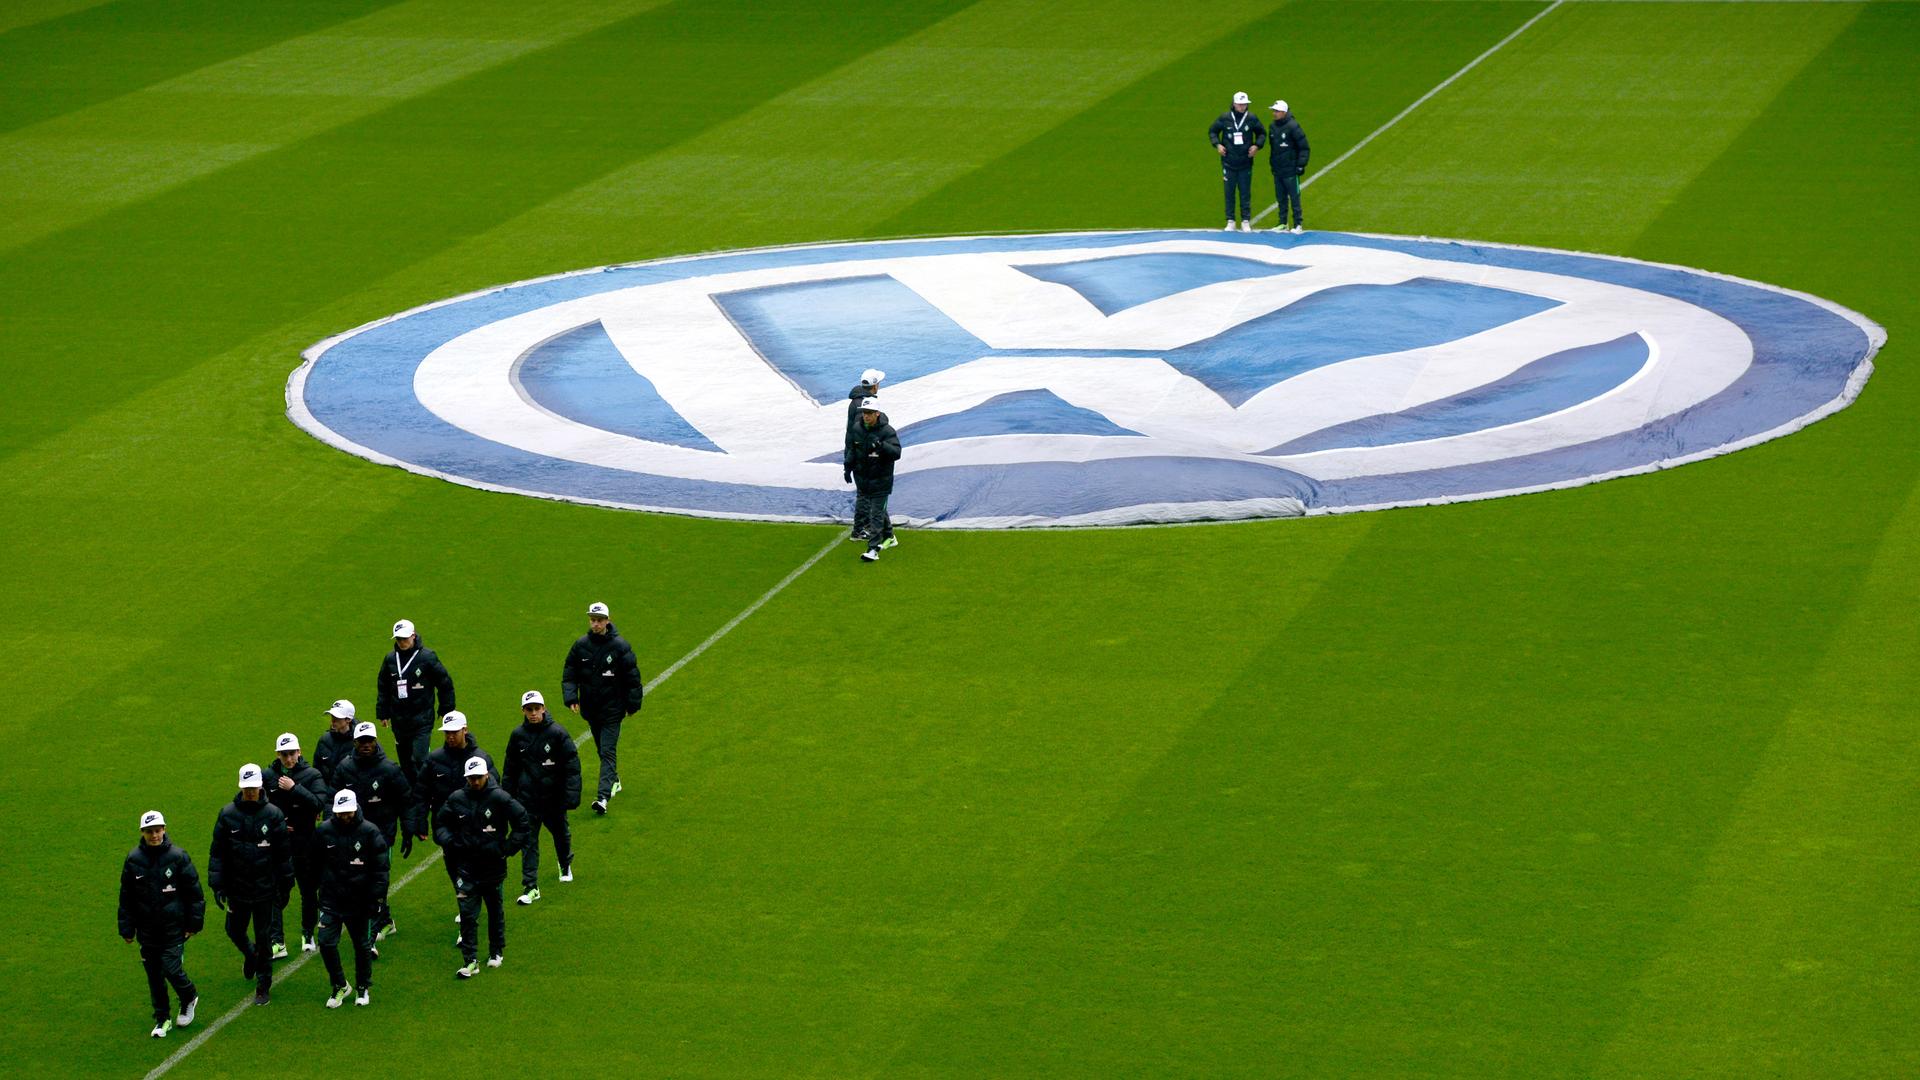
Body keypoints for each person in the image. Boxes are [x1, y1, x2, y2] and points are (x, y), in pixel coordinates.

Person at [436, 756, 530, 978]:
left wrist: (507, 848)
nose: (475, 782)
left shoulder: (500, 798)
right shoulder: (456, 799)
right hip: (466, 866)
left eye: (478, 777)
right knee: (467, 914)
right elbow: (441, 824)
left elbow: (522, 821)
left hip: (492, 866)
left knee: (494, 910)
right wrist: (450, 843)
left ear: (486, 775)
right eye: (471, 778)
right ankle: (470, 960)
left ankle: (496, 950)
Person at [208, 764, 292, 1006]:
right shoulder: (227, 815)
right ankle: (250, 954)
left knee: (264, 937)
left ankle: (263, 985)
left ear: (260, 787)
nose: (251, 792)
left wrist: (285, 885)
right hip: (238, 888)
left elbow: (283, 855)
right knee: (233, 930)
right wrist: (217, 884)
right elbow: (218, 853)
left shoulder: (273, 815)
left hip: (265, 889)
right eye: (247, 788)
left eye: (254, 788)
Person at [411, 710, 498, 944]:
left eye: (454, 732)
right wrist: (419, 822)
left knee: (469, 875)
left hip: (476, 829)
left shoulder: (481, 759)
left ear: (465, 730)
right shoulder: (434, 760)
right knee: (455, 872)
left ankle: (468, 923)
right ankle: (467, 907)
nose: (450, 736)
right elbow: (421, 792)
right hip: (447, 828)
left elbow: (497, 794)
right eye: (447, 732)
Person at [119, 810, 203, 1038]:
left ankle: (188, 996)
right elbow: (126, 897)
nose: (154, 835)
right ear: (142, 833)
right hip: (147, 930)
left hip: (173, 928)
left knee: (171, 969)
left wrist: (194, 923)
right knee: (154, 976)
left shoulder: (178, 857)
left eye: (157, 830)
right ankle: (162, 1019)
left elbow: (194, 892)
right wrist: (126, 928)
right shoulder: (133, 859)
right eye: (149, 832)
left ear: (164, 830)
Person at [331, 721, 412, 941]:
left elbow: (405, 799)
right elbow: (333, 798)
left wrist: (408, 829)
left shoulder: (389, 769)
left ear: (376, 741)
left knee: (376, 881)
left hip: (382, 835)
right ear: (355, 742)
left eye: (370, 740)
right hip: (352, 836)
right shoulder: (344, 768)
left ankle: (373, 930)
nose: (366, 745)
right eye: (362, 741)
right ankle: (384, 921)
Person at [562, 602, 643, 815]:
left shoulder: (620, 647)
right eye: (592, 620)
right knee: (601, 749)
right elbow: (570, 673)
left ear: (607, 620)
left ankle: (602, 798)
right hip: (591, 709)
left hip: (612, 711)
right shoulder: (580, 646)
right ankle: (614, 780)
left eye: (599, 620)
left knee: (607, 751)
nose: (595, 624)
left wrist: (633, 704)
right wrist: (571, 698)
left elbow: (633, 678)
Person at [504, 690, 582, 904]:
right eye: (529, 709)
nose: (533, 713)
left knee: (561, 834)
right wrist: (506, 800)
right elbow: (510, 769)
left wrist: (572, 795)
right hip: (527, 801)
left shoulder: (558, 733)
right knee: (528, 842)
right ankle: (531, 886)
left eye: (537, 709)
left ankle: (565, 863)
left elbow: (572, 765)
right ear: (523, 711)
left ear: (544, 708)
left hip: (553, 799)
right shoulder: (517, 736)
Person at [314, 790, 387, 1008]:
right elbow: (314, 862)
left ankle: (362, 987)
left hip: (359, 901)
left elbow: (381, 870)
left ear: (355, 809)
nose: (344, 816)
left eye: (347, 812)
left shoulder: (370, 832)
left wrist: (377, 900)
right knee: (326, 942)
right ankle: (339, 985)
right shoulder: (324, 831)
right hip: (331, 899)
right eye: (340, 813)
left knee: (361, 945)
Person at [266, 733, 331, 958]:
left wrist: (294, 788)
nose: (288, 758)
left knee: (308, 891)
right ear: (278, 755)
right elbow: (259, 808)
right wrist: (278, 824)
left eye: (292, 753)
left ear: (299, 752)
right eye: (284, 754)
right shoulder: (267, 777)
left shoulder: (312, 775)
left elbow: (319, 804)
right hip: (279, 845)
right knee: (275, 892)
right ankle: (277, 941)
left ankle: (307, 933)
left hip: (306, 843)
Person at [374, 618, 455, 785]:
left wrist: (447, 709)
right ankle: (414, 792)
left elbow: (444, 682)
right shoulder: (390, 659)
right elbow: (383, 686)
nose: (402, 642)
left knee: (419, 758)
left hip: (422, 719)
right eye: (398, 639)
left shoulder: (427, 657)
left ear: (413, 636)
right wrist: (383, 713)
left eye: (404, 638)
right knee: (405, 762)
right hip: (399, 720)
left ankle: (430, 788)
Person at [846, 398, 902, 562]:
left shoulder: (887, 431)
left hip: (881, 480)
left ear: (877, 413)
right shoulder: (857, 428)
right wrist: (848, 467)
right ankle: (890, 537)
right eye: (864, 413)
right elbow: (853, 449)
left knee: (875, 515)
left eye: (869, 413)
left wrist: (881, 446)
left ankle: (872, 549)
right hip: (864, 479)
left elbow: (897, 453)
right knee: (879, 511)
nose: (866, 416)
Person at [1209, 91, 1265, 232]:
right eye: (1240, 104)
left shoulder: (1251, 118)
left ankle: (1246, 220)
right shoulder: (1225, 118)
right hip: (1228, 162)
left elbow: (1262, 133)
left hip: (1245, 162)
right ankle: (1231, 220)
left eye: (1245, 104)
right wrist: (1218, 145)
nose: (1242, 106)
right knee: (1229, 192)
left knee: (1245, 192)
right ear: (1234, 104)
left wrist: (1257, 146)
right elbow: (1212, 131)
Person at [844, 368, 885, 540]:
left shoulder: (856, 401)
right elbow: (859, 432)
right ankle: (862, 529)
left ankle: (862, 528)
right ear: (874, 386)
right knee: (866, 494)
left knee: (865, 493)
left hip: (856, 454)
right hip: (863, 457)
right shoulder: (864, 405)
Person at [1266, 99, 1311, 234]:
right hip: (1278, 169)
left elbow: (1304, 147)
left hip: (1291, 169)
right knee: (1281, 197)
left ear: (1284, 112)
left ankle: (1298, 224)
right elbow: (1273, 148)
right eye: (1273, 111)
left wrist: (1300, 165)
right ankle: (1282, 223)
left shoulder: (1293, 126)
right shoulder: (1272, 127)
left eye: (1277, 111)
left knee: (1294, 197)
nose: (1274, 113)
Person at [313, 700, 358, 788]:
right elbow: (316, 770)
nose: (333, 721)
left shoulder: (360, 742)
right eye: (332, 716)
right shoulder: (324, 740)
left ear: (348, 719)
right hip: (327, 794)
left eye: (337, 717)